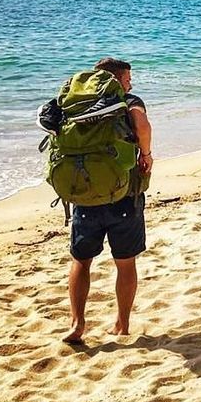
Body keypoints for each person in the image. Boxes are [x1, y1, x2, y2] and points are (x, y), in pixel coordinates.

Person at [63, 57, 153, 344]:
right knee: (125, 263)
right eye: (128, 79)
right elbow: (141, 124)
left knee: (81, 260)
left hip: (85, 193)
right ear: (116, 80)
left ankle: (77, 323)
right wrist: (146, 154)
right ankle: (122, 324)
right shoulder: (129, 100)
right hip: (124, 194)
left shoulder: (76, 102)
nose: (131, 84)